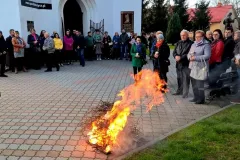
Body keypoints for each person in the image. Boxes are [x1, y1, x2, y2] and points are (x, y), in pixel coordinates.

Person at [188, 30, 211, 104]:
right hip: (193, 66)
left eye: (199, 37)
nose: (197, 38)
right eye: (196, 37)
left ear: (203, 37)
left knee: (199, 84)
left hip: (201, 67)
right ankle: (196, 97)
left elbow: (207, 56)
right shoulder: (193, 44)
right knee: (194, 83)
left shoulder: (206, 44)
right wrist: (189, 57)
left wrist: (195, 58)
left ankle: (201, 99)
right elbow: (189, 53)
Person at [172, 30, 193, 98]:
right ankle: (179, 91)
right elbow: (174, 51)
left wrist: (181, 57)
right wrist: (175, 56)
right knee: (179, 78)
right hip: (178, 64)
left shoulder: (191, 43)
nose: (182, 36)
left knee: (186, 79)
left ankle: (185, 93)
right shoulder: (178, 42)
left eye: (184, 35)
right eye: (181, 35)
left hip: (186, 64)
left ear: (187, 35)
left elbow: (189, 53)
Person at [230, 30, 240, 103]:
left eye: (235, 35)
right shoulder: (237, 43)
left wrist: (237, 60)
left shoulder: (239, 44)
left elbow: (238, 54)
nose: (233, 37)